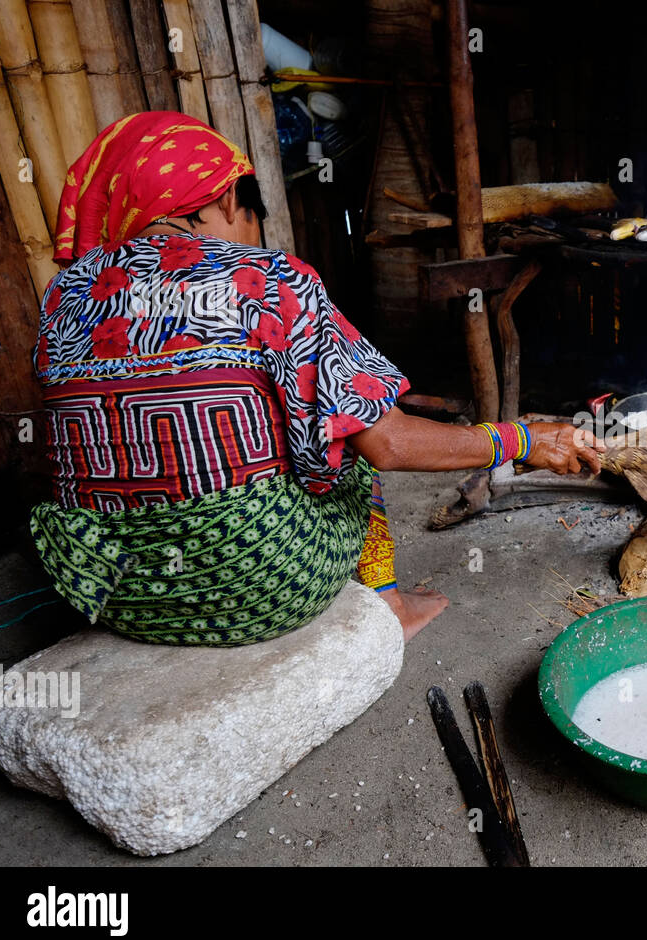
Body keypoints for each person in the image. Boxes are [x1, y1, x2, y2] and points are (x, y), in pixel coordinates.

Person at [32, 111, 602, 646]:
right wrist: (526, 439)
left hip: (107, 588)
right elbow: (390, 443)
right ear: (229, 197)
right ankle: (392, 609)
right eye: (254, 214)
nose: (253, 235)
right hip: (252, 587)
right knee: (349, 426)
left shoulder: (64, 294)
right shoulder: (265, 277)